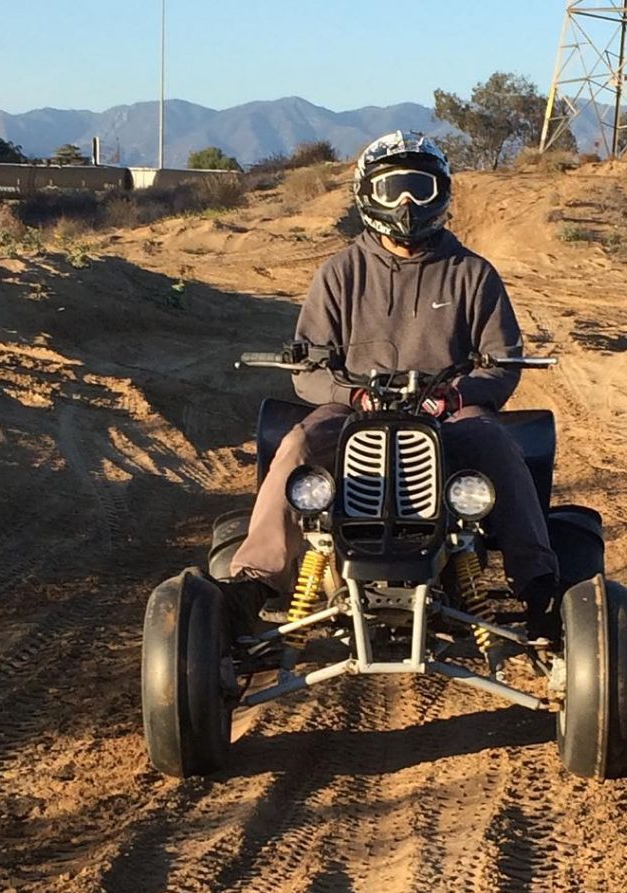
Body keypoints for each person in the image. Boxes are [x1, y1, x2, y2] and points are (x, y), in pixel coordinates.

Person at [222, 130, 559, 636]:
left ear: (440, 193)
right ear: (367, 194)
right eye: (392, 188)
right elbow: (309, 369)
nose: (406, 201)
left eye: (419, 188)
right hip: (355, 412)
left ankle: (539, 584)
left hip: (447, 414)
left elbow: (502, 364)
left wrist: (459, 394)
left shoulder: (472, 273)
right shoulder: (339, 273)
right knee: (296, 444)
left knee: (496, 441)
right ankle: (253, 581)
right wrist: (349, 394)